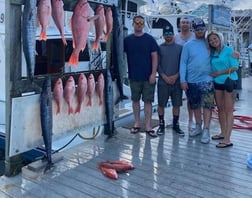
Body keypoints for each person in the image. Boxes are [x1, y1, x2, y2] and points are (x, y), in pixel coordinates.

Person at [180, 18, 215, 144]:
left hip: (207, 80)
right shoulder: (187, 45)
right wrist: (183, 80)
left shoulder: (210, 43)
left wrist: (235, 54)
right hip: (191, 81)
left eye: (202, 28)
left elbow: (223, 50)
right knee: (194, 105)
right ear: (193, 30)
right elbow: (183, 63)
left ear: (205, 29)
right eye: (197, 29)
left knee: (207, 106)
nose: (199, 31)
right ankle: (199, 126)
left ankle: (206, 129)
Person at [124, 15, 159, 137]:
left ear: (143, 25)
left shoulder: (150, 39)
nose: (139, 24)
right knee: (135, 101)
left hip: (148, 76)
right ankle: (137, 123)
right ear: (133, 24)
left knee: (148, 101)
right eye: (137, 22)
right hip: (134, 76)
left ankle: (148, 125)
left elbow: (155, 57)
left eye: (141, 23)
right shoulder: (127, 40)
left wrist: (153, 74)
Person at [207, 31, 239, 148]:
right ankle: (223, 132)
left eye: (215, 39)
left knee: (228, 110)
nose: (213, 41)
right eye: (211, 40)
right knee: (220, 109)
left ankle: (227, 139)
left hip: (229, 82)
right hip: (217, 83)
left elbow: (235, 67)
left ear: (220, 38)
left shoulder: (229, 50)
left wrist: (219, 72)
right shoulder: (213, 53)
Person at [156, 24, 184, 136]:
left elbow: (183, 65)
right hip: (163, 81)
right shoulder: (159, 48)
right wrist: (164, 76)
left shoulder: (180, 48)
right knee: (161, 104)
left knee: (176, 104)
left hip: (176, 81)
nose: (168, 36)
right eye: (166, 34)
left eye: (170, 33)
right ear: (163, 36)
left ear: (174, 34)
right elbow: (157, 65)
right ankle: (161, 124)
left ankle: (176, 124)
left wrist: (176, 76)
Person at [175, 16, 196, 131]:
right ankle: (175, 121)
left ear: (190, 25)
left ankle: (191, 120)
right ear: (180, 24)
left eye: (187, 22)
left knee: (191, 98)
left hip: (192, 72)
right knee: (176, 98)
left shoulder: (195, 37)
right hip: (177, 71)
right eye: (183, 22)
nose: (184, 24)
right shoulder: (175, 37)